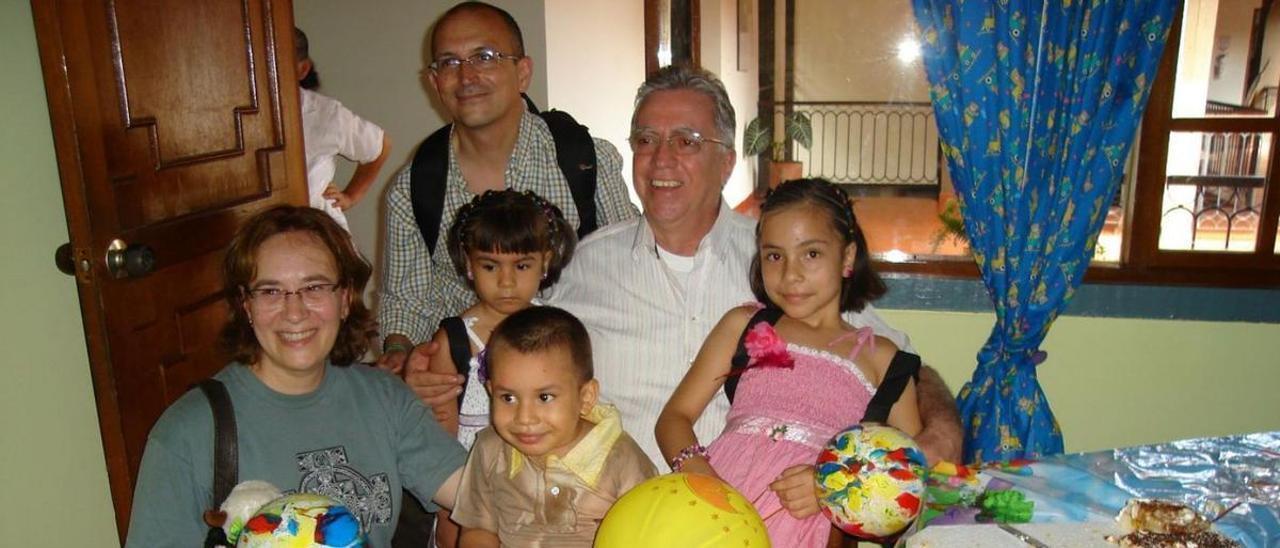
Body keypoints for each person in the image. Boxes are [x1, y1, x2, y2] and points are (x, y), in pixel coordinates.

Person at [407, 65, 963, 468]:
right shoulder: (583, 264)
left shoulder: (782, 262)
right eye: (646, 139)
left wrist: (941, 431)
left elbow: (899, 366)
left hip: (760, 516)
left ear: (726, 161)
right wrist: (433, 365)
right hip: (609, 516)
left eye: (687, 141)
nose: (662, 158)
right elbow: (507, 341)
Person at [124, 206, 466, 548]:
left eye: (314, 287)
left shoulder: (384, 398)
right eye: (271, 291)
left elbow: (476, 496)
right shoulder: (188, 433)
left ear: (345, 298)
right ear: (246, 305)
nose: (295, 312)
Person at [655, 178, 922, 546]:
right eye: (774, 255)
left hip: (804, 529)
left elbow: (907, 491)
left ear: (846, 257)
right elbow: (674, 418)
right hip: (712, 515)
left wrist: (833, 488)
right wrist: (698, 471)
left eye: (811, 254)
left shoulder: (885, 361)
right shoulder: (744, 325)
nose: (790, 274)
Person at [377, 1, 638, 372]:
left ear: (523, 72)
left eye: (484, 57)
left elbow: (633, 267)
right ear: (434, 82)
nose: (466, 77)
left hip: (584, 374)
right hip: (472, 389)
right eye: (449, 62)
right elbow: (407, 302)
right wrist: (403, 356)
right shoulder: (414, 187)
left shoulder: (584, 160)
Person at [428, 189, 577, 547]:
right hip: (470, 493)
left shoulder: (560, 332)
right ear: (468, 263)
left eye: (522, 265)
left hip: (541, 497)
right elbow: (440, 448)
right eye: (490, 266)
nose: (507, 282)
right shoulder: (454, 342)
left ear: (546, 261)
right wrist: (452, 521)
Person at [451, 306, 657, 547]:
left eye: (545, 397)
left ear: (586, 397)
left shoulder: (622, 461)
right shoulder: (489, 449)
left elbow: (650, 535)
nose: (524, 418)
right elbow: (478, 530)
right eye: (508, 398)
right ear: (490, 391)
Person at [295, 27, 391, 232]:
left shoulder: (326, 114)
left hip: (318, 229)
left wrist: (350, 197)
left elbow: (380, 146)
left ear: (302, 69)